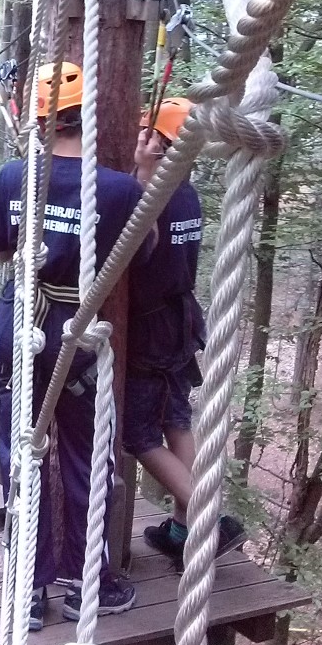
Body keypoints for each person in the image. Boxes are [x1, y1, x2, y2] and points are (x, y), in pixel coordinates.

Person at [0, 61, 149, 631]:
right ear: (90, 114)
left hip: (21, 332)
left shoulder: (11, 178)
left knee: (21, 465)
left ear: (37, 119)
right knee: (88, 462)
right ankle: (87, 584)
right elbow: (137, 256)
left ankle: (28, 589)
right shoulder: (123, 190)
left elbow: (4, 250)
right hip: (77, 338)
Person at [127, 97, 246, 569]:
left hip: (152, 331)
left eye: (147, 134)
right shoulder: (187, 191)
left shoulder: (151, 195)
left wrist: (137, 175)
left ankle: (207, 521)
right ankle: (181, 530)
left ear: (159, 143)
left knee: (137, 433)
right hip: (179, 324)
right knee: (176, 420)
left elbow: (137, 242)